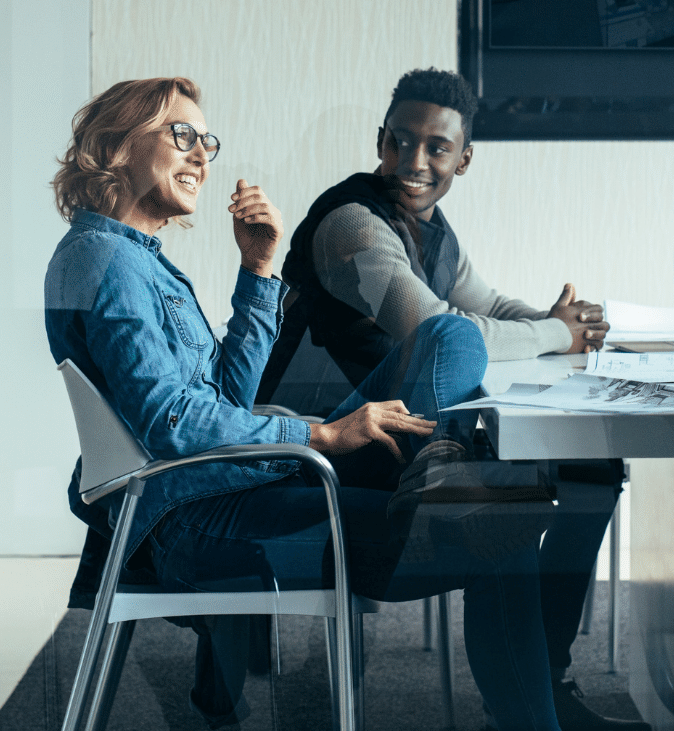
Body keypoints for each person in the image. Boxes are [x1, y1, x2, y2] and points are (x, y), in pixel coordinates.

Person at [45, 77, 565, 731]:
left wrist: (257, 269)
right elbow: (172, 422)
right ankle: (437, 493)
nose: (202, 154)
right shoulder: (109, 263)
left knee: (449, 337)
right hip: (204, 524)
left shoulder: (129, 259)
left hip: (227, 489)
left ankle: (434, 481)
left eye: (206, 140)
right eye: (181, 135)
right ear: (118, 144)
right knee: (499, 534)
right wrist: (322, 436)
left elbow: (227, 398)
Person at [255, 67, 642, 731]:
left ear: (463, 158)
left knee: (591, 469)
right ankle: (527, 705)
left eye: (436, 147)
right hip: (321, 442)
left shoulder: (432, 229)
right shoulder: (352, 224)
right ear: (380, 142)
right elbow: (437, 326)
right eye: (400, 141)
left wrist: (562, 323)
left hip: (393, 436)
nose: (414, 161)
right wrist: (556, 334)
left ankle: (544, 685)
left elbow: (486, 304)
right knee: (494, 503)